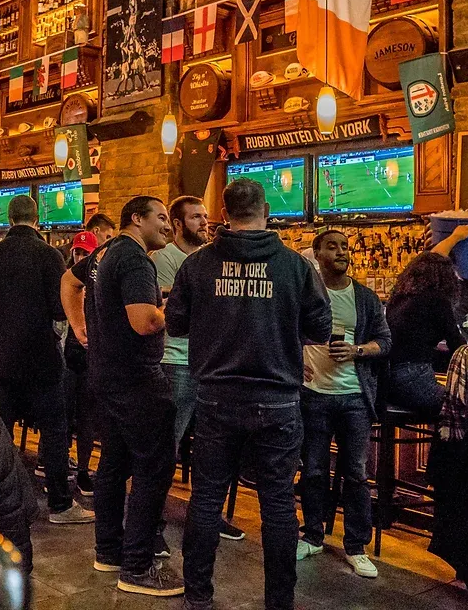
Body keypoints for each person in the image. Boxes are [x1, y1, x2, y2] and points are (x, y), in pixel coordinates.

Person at [166, 178, 332, 610]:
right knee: (277, 504)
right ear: (267, 210)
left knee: (206, 497)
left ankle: (198, 596)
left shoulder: (198, 265)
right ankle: (280, 602)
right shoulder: (295, 267)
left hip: (217, 397)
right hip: (278, 399)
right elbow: (321, 329)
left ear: (223, 214)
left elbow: (176, 324)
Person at [0, 195, 92, 524]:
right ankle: (61, 505)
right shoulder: (50, 255)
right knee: (53, 430)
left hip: (0, 360)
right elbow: (58, 307)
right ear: (37, 219)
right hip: (41, 358)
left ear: (9, 219)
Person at [87, 196, 184, 597]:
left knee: (113, 464)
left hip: (110, 375)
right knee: (154, 468)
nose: (167, 225)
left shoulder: (108, 252)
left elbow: (72, 282)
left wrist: (83, 330)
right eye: (160, 217)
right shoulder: (134, 259)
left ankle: (109, 551)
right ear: (136, 219)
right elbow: (144, 322)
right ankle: (138, 567)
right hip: (138, 380)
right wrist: (174, 308)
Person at [151, 197, 245, 548]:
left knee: (212, 447)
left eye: (206, 216)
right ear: (177, 224)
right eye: (195, 217)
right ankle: (152, 520)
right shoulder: (163, 259)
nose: (204, 222)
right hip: (176, 362)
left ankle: (206, 513)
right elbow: (169, 312)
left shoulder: (214, 260)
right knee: (167, 444)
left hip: (211, 365)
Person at [298, 230, 390, 578]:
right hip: (314, 394)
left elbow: (385, 340)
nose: (341, 252)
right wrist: (297, 359)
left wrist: (358, 350)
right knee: (314, 471)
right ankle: (312, 536)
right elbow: (287, 331)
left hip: (354, 397)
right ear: (317, 253)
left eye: (345, 247)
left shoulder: (364, 297)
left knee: (355, 474)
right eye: (332, 246)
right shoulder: (307, 295)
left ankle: (356, 547)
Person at [385, 252, 467, 418]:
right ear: (445, 277)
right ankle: (444, 443)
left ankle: (442, 441)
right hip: (413, 381)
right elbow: (458, 345)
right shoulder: (437, 299)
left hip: (387, 382)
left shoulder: (398, 298)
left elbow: (409, 343)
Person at [63, 231, 98, 498]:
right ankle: (59, 465)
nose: (80, 257)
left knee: (87, 417)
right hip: (67, 354)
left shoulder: (99, 283)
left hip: (90, 356)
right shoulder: (67, 282)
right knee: (62, 414)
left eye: (86, 253)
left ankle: (84, 470)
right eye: (78, 252)